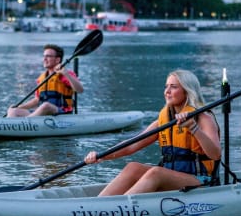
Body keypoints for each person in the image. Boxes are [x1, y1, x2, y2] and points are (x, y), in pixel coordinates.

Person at [84, 69, 221, 196]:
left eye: (173, 87)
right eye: (166, 86)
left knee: (156, 172)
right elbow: (132, 145)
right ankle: (97, 206)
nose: (167, 91)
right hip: (173, 175)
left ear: (187, 91)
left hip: (201, 180)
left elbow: (215, 154)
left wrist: (194, 129)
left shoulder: (204, 119)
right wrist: (102, 156)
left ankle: (118, 209)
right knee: (133, 168)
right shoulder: (163, 121)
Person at [6, 44, 84, 117]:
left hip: (61, 112)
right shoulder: (41, 78)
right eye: (44, 56)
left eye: (48, 56)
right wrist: (21, 106)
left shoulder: (66, 74)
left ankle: (26, 123)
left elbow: (80, 90)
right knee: (13, 110)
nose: (44, 59)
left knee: (46, 105)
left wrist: (66, 74)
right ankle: (9, 126)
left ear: (57, 59)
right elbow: (37, 100)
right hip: (42, 114)